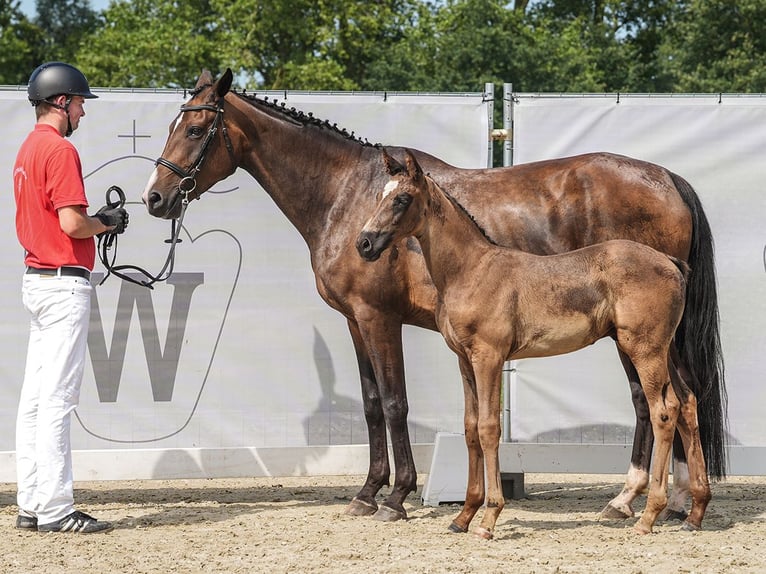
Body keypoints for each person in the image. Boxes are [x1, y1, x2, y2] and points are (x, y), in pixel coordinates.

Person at [13, 62, 129, 534]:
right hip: (63, 284)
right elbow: (73, 224)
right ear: (62, 102)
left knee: (35, 401)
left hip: (37, 280)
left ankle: (32, 501)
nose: (83, 111)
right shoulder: (60, 150)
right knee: (57, 400)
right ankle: (57, 510)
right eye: (80, 102)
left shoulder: (27, 148)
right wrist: (108, 222)